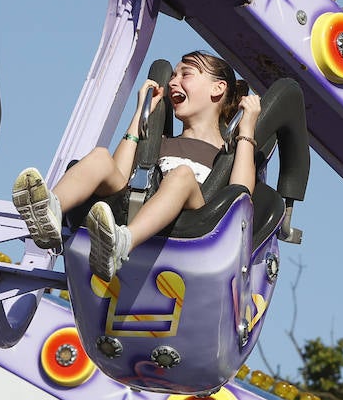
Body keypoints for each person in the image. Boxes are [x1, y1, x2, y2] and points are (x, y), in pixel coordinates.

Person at [13, 51, 261, 279]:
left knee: (182, 175)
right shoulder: (160, 144)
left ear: (218, 88)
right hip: (139, 203)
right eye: (173, 76)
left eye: (186, 74)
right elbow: (120, 174)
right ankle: (50, 212)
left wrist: (247, 128)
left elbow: (239, 198)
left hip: (197, 222)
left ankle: (123, 244)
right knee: (100, 156)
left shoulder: (228, 153)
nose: (174, 82)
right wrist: (140, 114)